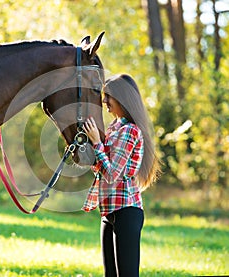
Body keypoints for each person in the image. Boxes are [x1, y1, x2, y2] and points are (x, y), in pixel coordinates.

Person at [82, 74, 161, 277]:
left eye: (109, 96)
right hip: (109, 211)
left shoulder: (130, 131)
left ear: (123, 98)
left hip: (126, 211)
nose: (104, 101)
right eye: (104, 96)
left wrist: (97, 143)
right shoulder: (113, 129)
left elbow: (113, 174)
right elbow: (102, 168)